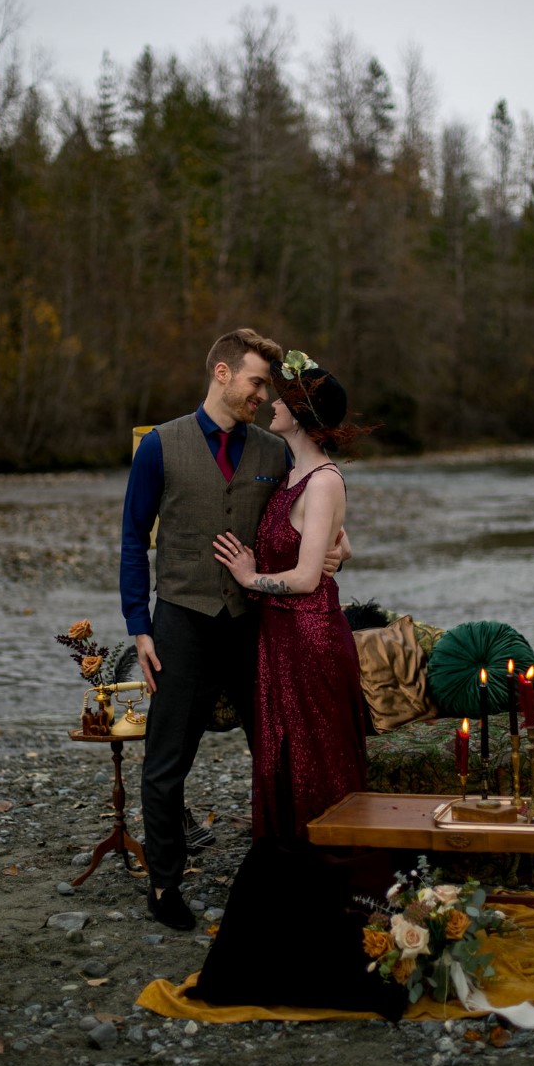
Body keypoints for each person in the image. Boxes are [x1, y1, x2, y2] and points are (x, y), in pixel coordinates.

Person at [120, 330, 344, 930]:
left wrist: (335, 552)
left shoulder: (275, 452)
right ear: (222, 373)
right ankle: (164, 886)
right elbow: (131, 540)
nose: (262, 394)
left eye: (267, 386)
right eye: (255, 382)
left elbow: (319, 509)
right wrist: (139, 625)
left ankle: (281, 868)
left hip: (254, 627)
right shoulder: (160, 446)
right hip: (181, 624)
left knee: (273, 751)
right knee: (166, 762)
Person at [213, 349, 367, 842]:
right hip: (281, 640)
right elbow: (342, 542)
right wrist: (336, 551)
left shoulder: (321, 481)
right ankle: (287, 868)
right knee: (283, 756)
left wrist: (248, 575)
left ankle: (327, 873)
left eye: (281, 399)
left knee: (316, 760)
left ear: (300, 416)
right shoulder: (293, 473)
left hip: (310, 640)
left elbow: (303, 580)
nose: (271, 404)